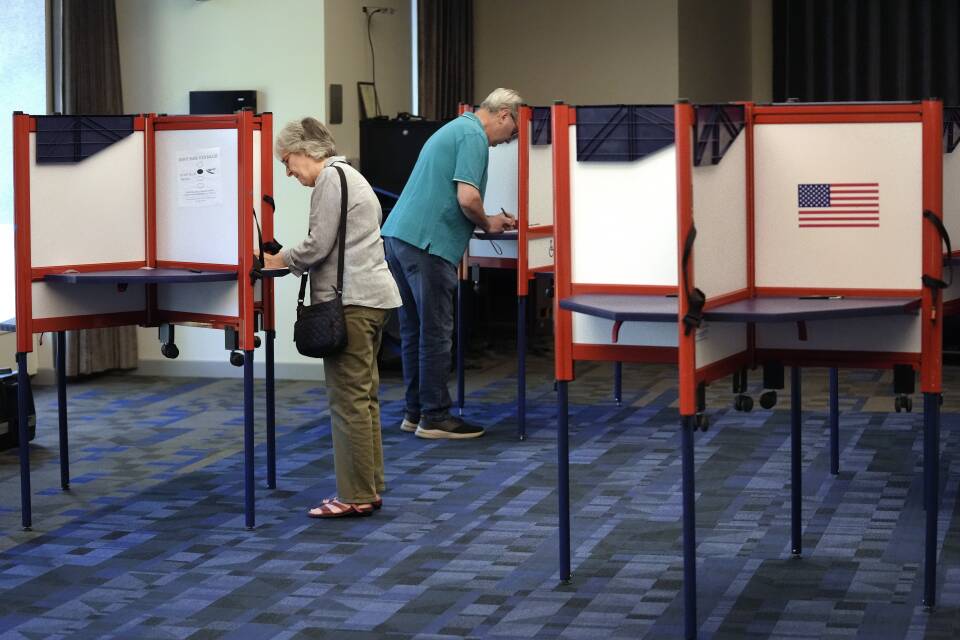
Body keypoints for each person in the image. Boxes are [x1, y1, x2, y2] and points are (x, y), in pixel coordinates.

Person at [264, 117, 401, 518]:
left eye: (287, 160)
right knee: (365, 399)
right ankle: (368, 486)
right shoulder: (353, 176)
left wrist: (280, 259)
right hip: (373, 300)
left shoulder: (329, 179)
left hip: (351, 303)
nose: (288, 171)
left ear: (306, 151)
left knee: (348, 402)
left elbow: (318, 244)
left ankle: (355, 495)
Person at [381, 88, 522, 440]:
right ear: (504, 114)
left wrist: (486, 218)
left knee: (413, 330)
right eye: (514, 131)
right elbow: (467, 196)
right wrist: (489, 222)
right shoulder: (474, 136)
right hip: (428, 244)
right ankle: (435, 416)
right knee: (436, 332)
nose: (510, 140)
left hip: (399, 237)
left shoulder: (456, 128)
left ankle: (414, 412)